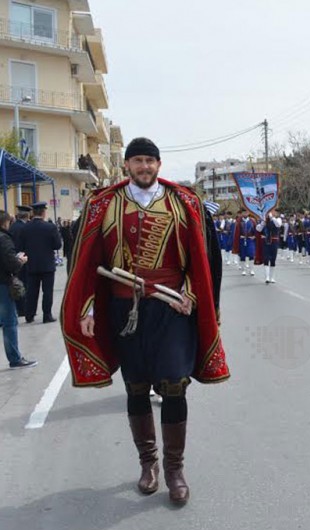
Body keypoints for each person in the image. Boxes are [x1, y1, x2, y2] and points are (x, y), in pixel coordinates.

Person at [61, 137, 230, 506]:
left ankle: (175, 469)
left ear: (159, 164)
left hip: (171, 310)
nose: (144, 167)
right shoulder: (103, 205)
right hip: (125, 312)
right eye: (137, 160)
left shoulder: (185, 203)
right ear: (126, 166)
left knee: (174, 385)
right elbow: (86, 261)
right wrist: (87, 307)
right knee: (136, 387)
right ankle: (148, 464)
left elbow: (205, 258)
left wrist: (191, 292)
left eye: (149, 161)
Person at [0, 211, 37, 368]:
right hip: (2, 283)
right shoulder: (4, 239)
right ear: (5, 222)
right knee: (9, 322)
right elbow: (11, 264)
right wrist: (20, 260)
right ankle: (15, 359)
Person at [18, 201, 61, 324]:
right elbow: (57, 245)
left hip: (31, 264)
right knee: (47, 291)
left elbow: (21, 245)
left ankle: (29, 315)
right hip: (47, 265)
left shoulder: (25, 227)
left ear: (33, 212)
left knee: (31, 291)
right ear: (43, 212)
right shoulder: (50, 227)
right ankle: (47, 315)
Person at [9, 205, 31, 316]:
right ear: (27, 215)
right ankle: (23, 309)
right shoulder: (24, 228)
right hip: (22, 259)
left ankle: (19, 307)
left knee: (17, 282)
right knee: (23, 283)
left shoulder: (13, 226)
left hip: (14, 258)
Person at [257, 211, 282, 284]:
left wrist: (272, 218)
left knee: (273, 259)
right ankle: (267, 277)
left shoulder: (278, 219)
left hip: (274, 241)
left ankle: (272, 277)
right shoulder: (263, 220)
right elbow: (258, 229)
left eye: (274, 212)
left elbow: (278, 225)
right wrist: (263, 222)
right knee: (266, 258)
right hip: (265, 241)